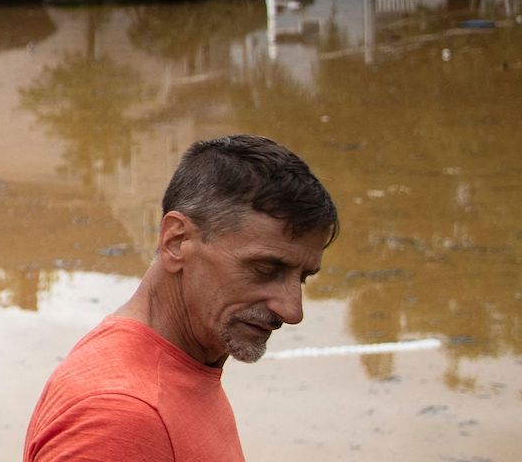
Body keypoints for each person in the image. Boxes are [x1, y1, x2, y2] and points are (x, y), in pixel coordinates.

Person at [24, 134, 339, 462]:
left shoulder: (186, 363)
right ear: (176, 240)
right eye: (265, 269)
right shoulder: (121, 418)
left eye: (301, 278)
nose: (292, 311)